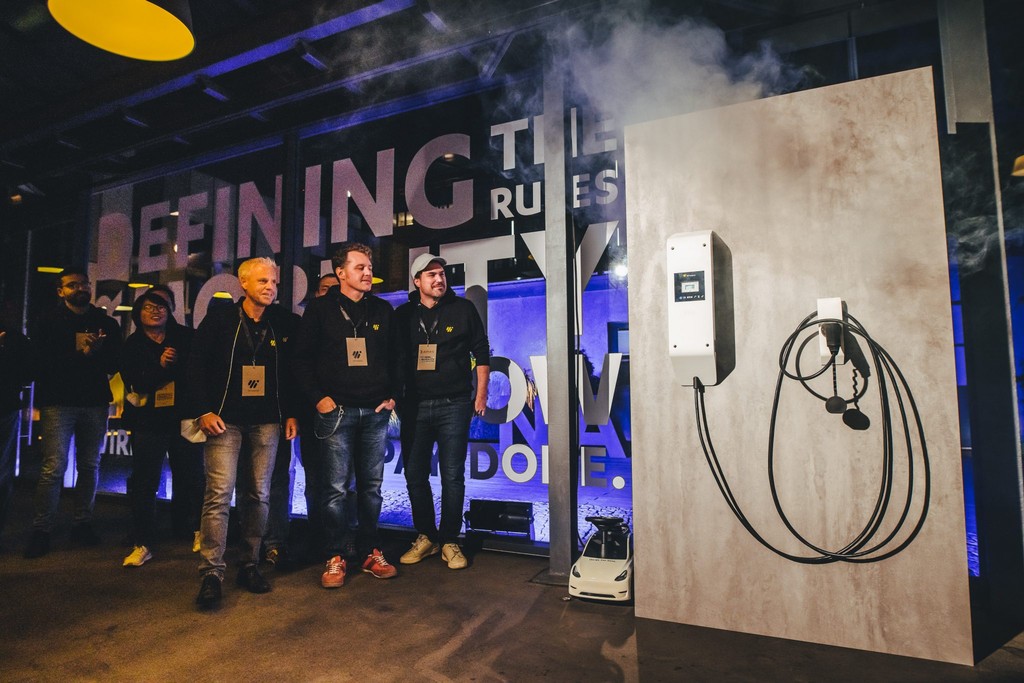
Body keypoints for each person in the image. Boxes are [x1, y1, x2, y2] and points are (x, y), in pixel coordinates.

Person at [187, 257, 298, 609]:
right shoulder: (220, 319)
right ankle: (211, 572)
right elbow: (195, 365)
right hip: (224, 420)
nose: (270, 287)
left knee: (259, 495)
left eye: (274, 282)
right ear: (244, 283)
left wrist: (290, 413)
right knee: (219, 494)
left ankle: (249, 563)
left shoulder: (282, 322)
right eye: (263, 281)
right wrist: (203, 410)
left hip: (267, 421)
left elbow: (292, 371)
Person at [292, 243, 399, 588]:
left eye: (369, 267)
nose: (368, 273)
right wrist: (318, 399)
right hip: (335, 412)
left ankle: (370, 551)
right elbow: (301, 360)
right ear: (340, 273)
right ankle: (335, 555)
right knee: (335, 489)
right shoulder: (320, 309)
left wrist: (393, 396)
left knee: (372, 488)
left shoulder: (382, 310)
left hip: (375, 412)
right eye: (360, 268)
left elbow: (397, 358)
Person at [396, 254, 489, 570]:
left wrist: (481, 394)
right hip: (414, 407)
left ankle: (450, 539)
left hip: (455, 404)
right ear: (417, 281)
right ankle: (426, 536)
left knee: (452, 475)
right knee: (414, 474)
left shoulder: (463, 309)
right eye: (431, 274)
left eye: (442, 274)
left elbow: (481, 351)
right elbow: (392, 359)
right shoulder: (403, 315)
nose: (439, 279)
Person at [24, 267, 122, 559]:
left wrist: (98, 353)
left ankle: (83, 523)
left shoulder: (105, 323)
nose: (81, 288)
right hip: (58, 402)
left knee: (90, 465)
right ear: (61, 291)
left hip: (94, 402)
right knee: (54, 467)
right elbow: (39, 364)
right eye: (72, 285)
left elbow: (114, 364)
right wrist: (81, 355)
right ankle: (42, 529)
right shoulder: (47, 322)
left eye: (84, 284)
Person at [118, 290, 201, 567]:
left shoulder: (186, 338)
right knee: (145, 481)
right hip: (148, 422)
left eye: (161, 306)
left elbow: (197, 374)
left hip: (184, 418)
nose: (155, 311)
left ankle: (199, 531)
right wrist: (162, 366)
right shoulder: (132, 345)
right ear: (137, 314)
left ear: (170, 310)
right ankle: (143, 542)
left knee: (193, 477)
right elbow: (136, 383)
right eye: (148, 307)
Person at [0, 313, 32, 551]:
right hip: (6, 406)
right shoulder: (13, 338)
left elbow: (28, 373)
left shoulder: (13, 339)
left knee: (2, 474)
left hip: (5, 407)